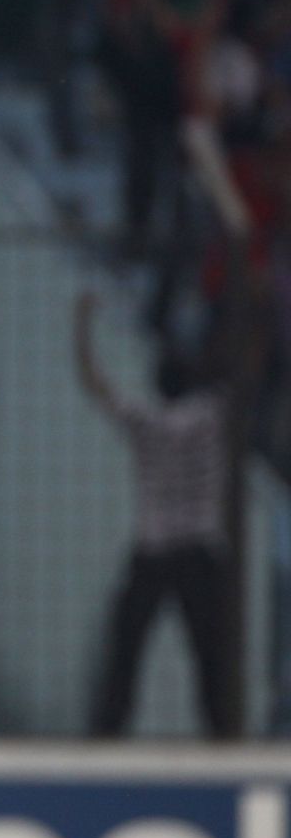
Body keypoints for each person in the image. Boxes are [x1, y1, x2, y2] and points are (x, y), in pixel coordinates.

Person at [75, 292, 239, 738]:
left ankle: (108, 731)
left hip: (154, 549)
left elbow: (96, 383)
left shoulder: (146, 422)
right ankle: (223, 735)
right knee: (212, 656)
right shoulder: (211, 415)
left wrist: (81, 325)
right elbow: (246, 373)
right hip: (201, 550)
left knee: (126, 651)